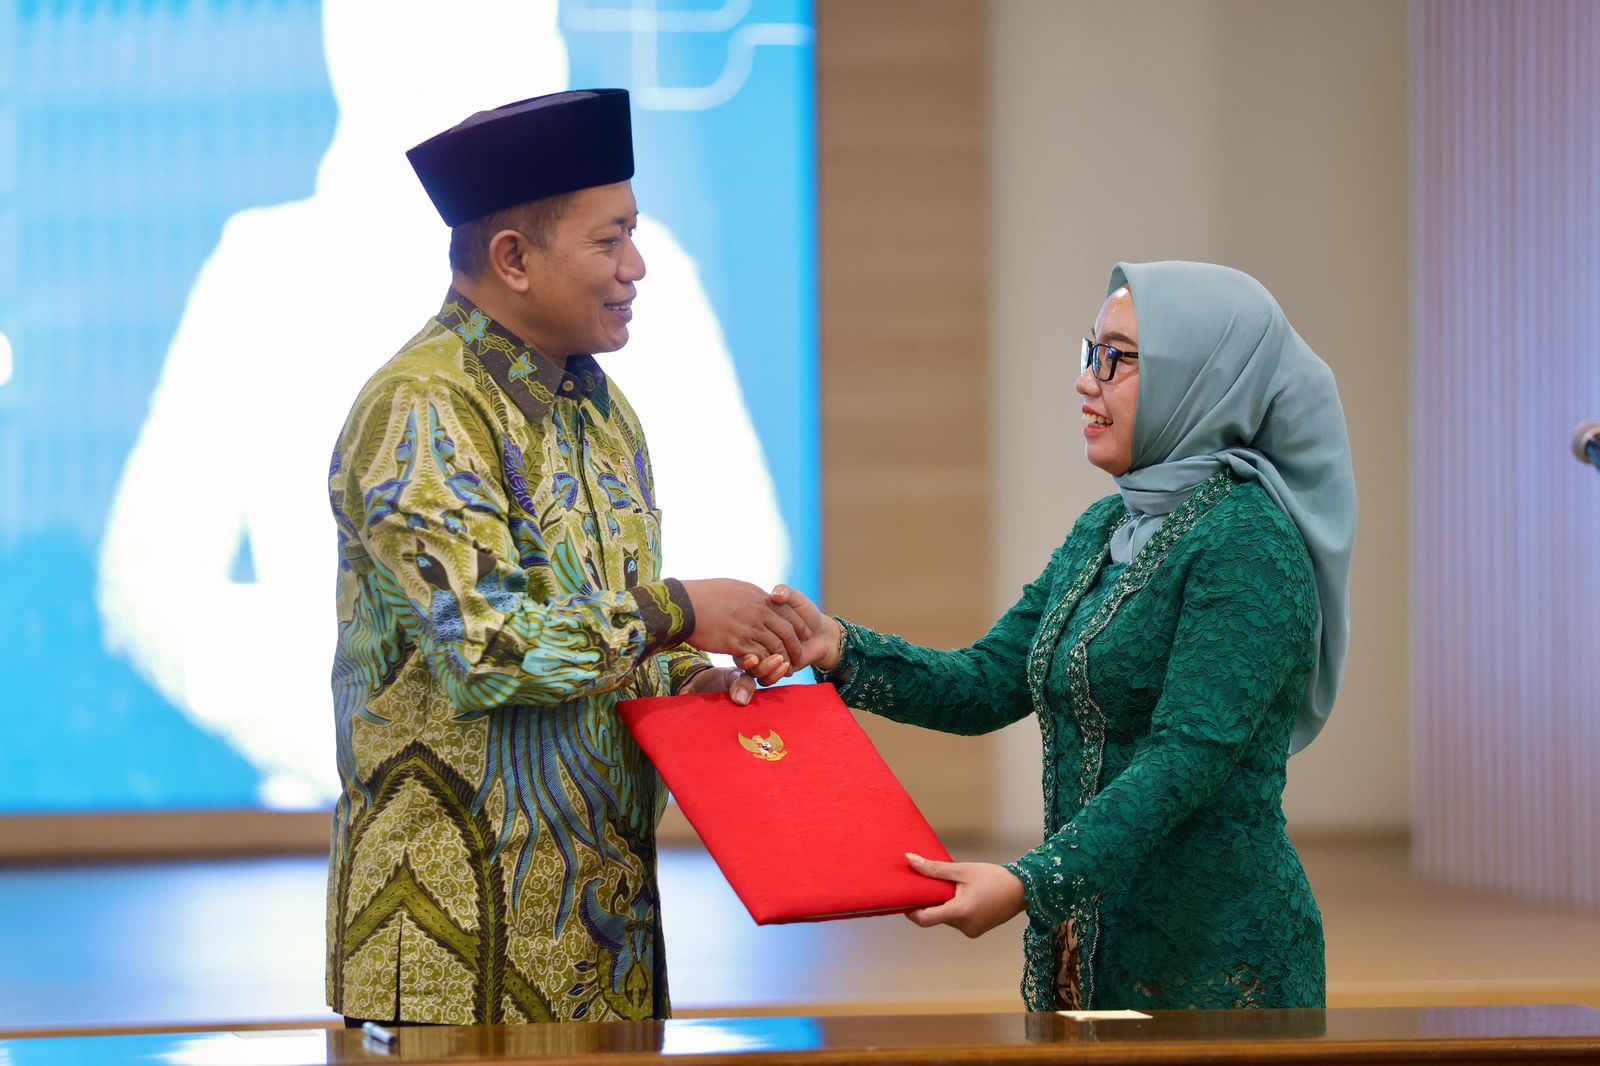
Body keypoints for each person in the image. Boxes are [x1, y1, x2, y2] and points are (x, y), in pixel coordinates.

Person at [325, 88, 804, 1027]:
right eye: (610, 239)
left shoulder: (602, 408)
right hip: (452, 953)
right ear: (513, 257)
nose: (638, 265)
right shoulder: (424, 407)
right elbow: (491, 649)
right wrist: (680, 612)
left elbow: (605, 627)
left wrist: (695, 687)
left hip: (603, 941)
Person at [775, 261, 1357, 1010]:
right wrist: (838, 648)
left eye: (1117, 358)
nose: (1088, 381)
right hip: (1089, 939)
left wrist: (1028, 883)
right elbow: (987, 682)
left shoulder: (1247, 542)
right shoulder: (1107, 528)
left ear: (1203, 378)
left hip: (1215, 959)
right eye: (1090, 353)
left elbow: (1188, 757)